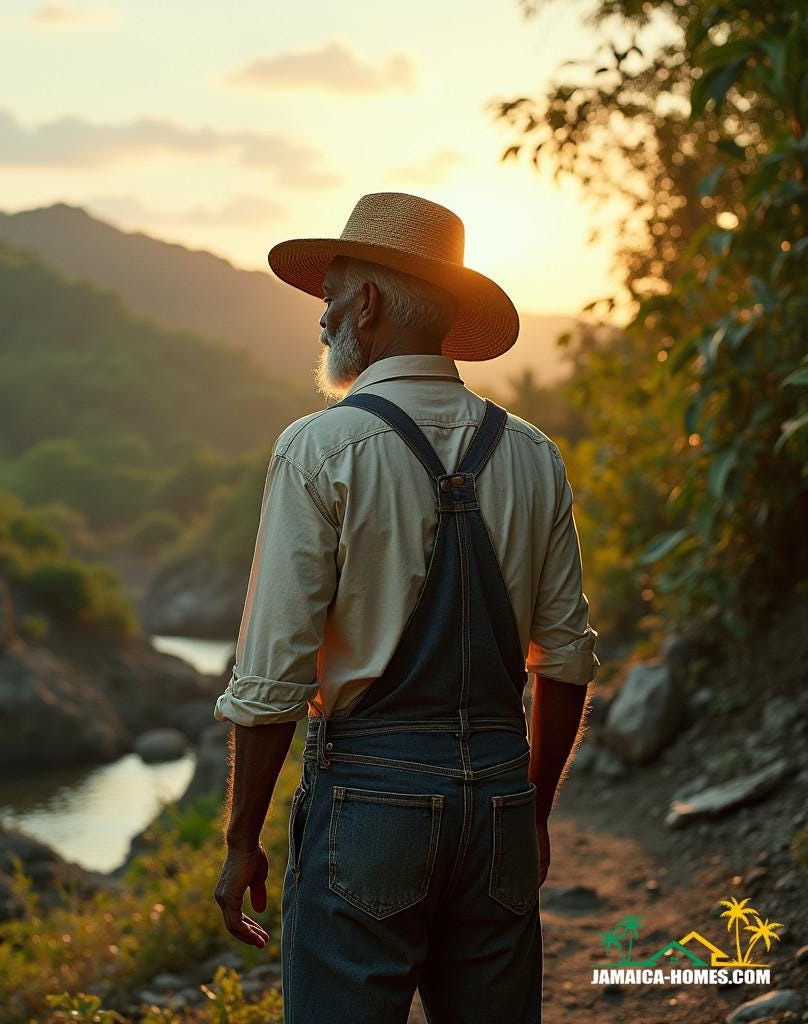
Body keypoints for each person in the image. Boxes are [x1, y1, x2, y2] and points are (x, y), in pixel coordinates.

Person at [212, 191, 598, 1023]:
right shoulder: (533, 454)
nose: (322, 321)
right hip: (499, 799)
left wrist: (242, 839)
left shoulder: (319, 448)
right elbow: (566, 659)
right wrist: (530, 812)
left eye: (329, 300)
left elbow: (272, 680)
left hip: (369, 801)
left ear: (367, 303)